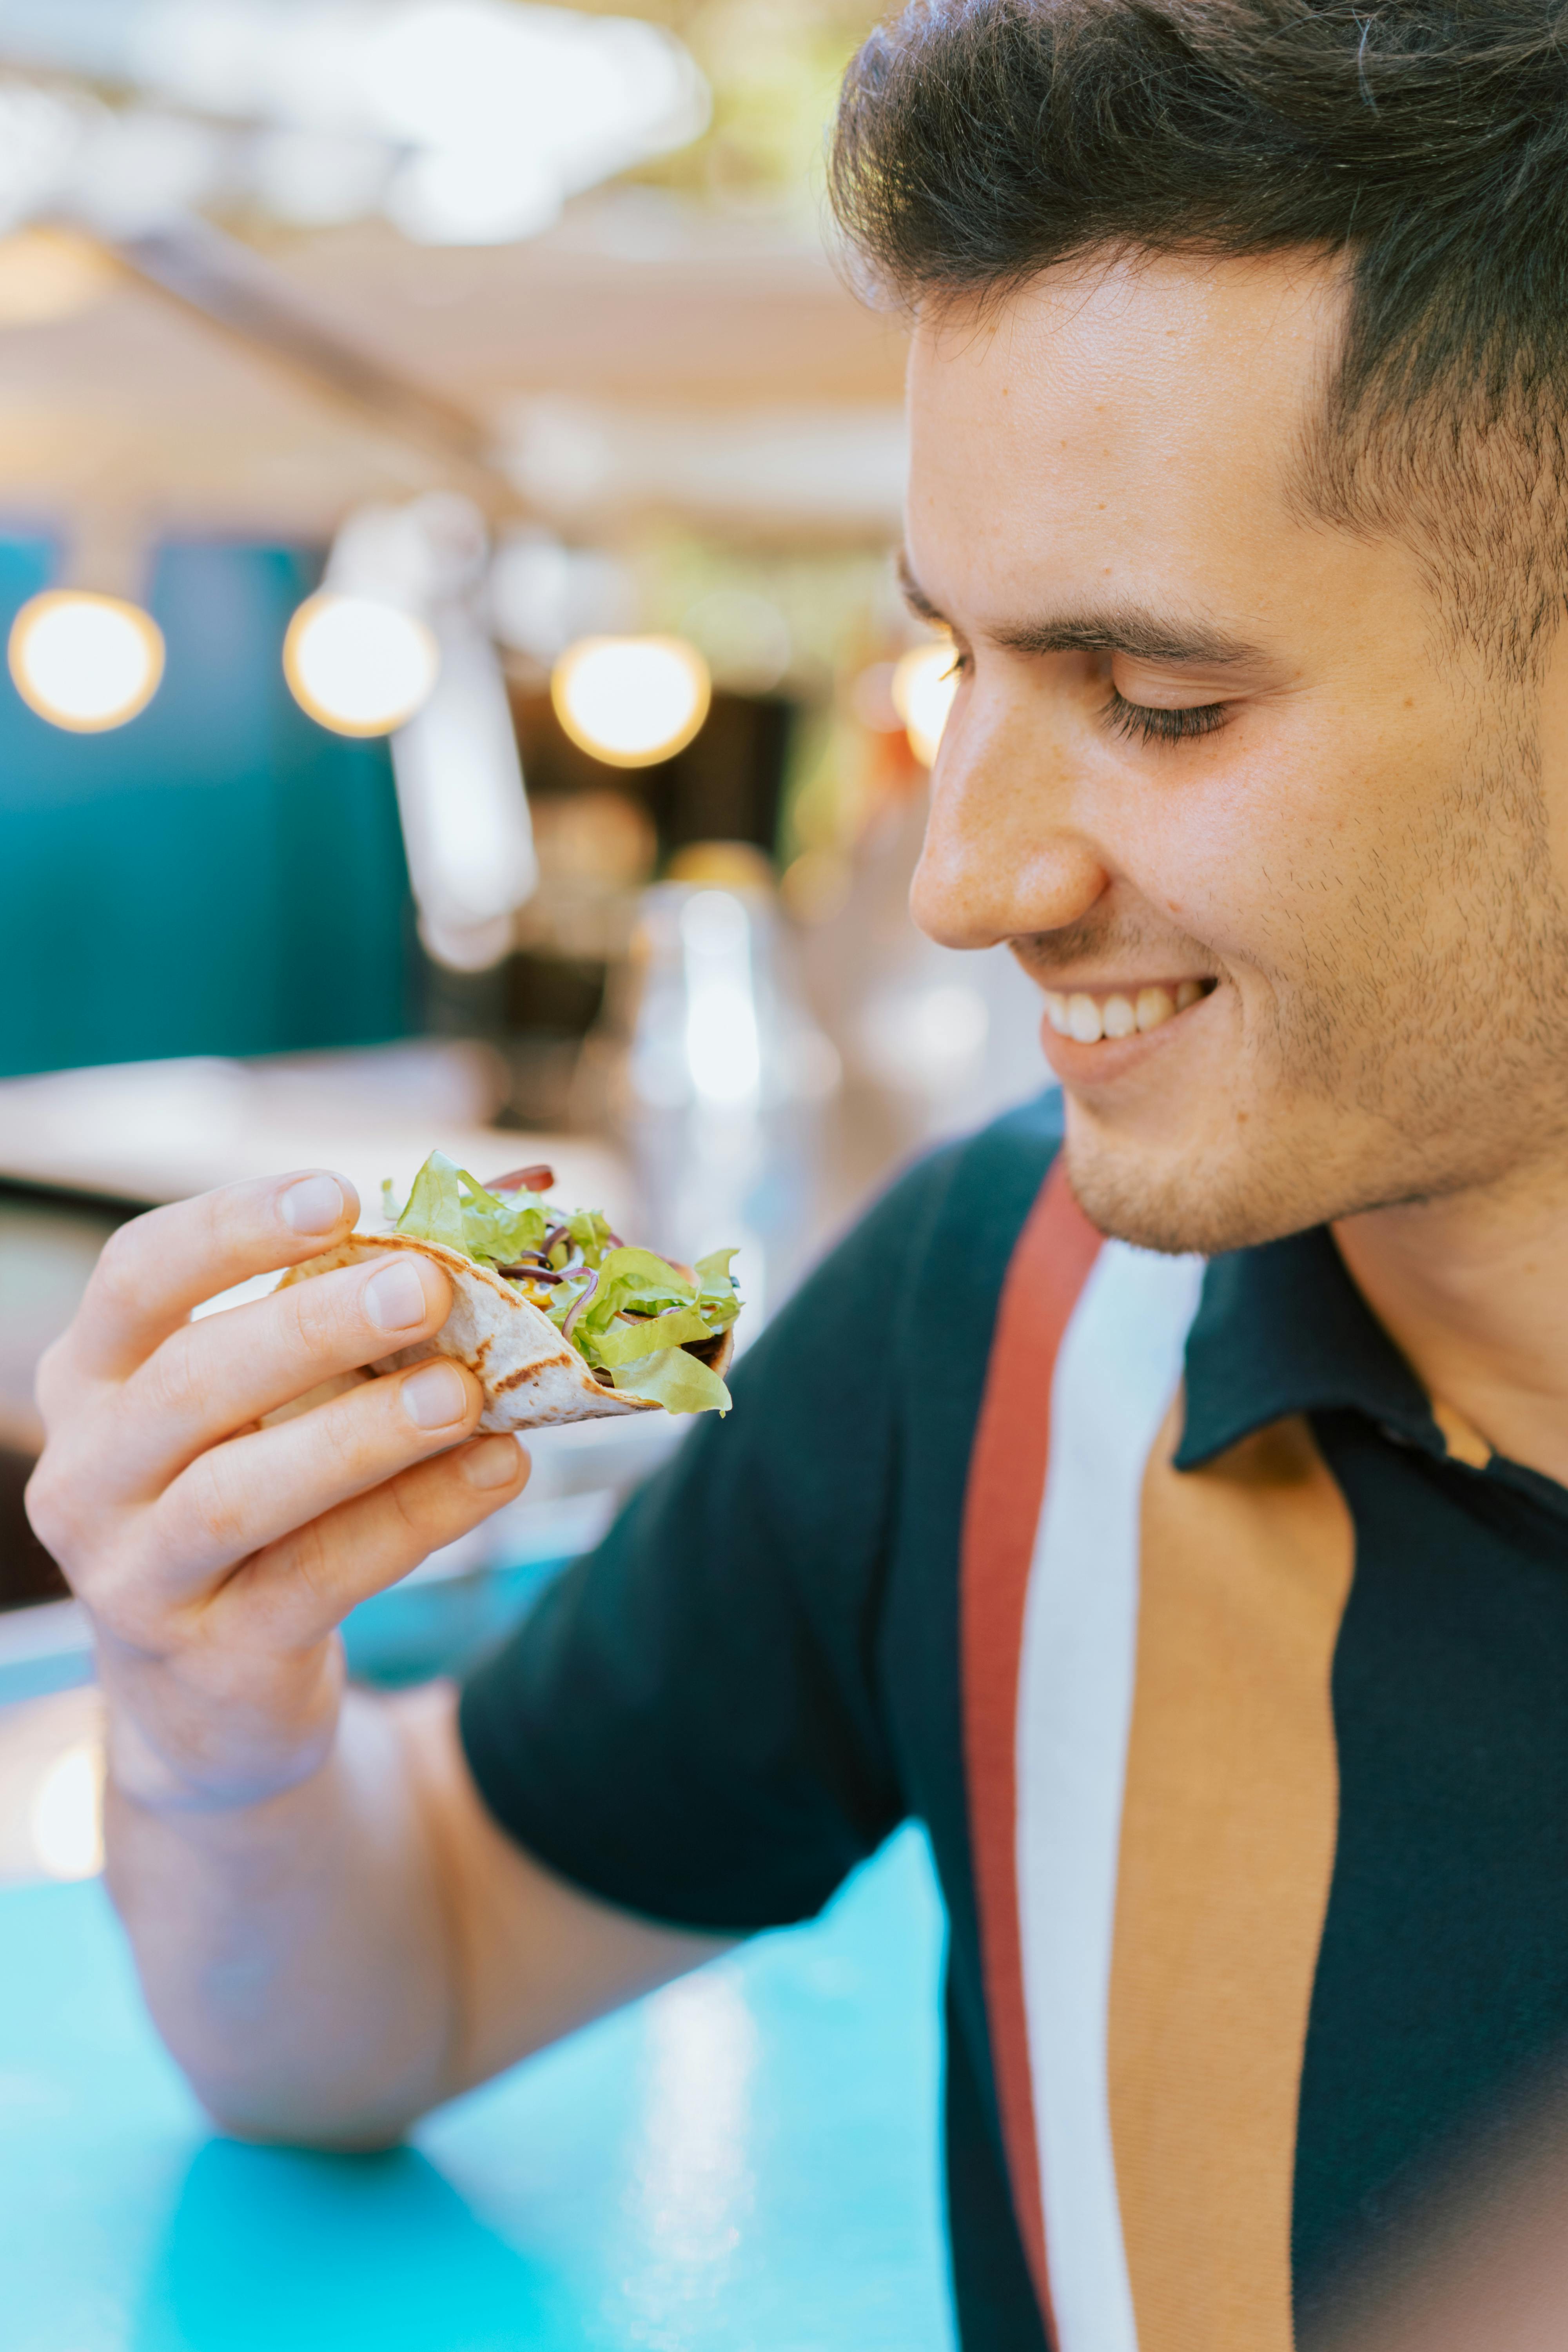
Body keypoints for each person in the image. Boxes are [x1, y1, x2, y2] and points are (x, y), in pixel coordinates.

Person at [29, 4, 1568, 2345]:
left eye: (1159, 699)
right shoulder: (1002, 1327)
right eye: (956, 659)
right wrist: (214, 1715)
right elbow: (387, 1980)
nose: (962, 878)